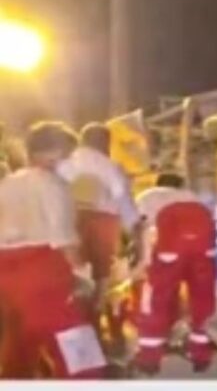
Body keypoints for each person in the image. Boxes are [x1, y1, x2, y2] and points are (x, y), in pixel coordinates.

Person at [0, 121, 106, 378]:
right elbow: (63, 238)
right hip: (43, 269)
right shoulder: (53, 184)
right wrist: (83, 276)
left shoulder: (7, 184)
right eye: (69, 154)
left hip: (6, 271)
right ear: (53, 153)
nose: (72, 161)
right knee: (78, 346)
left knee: (21, 345)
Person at [56, 122, 142, 354]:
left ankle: (73, 332)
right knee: (102, 282)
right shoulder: (111, 167)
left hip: (68, 226)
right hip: (103, 226)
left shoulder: (63, 164)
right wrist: (137, 239)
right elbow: (127, 208)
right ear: (105, 143)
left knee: (72, 281)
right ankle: (95, 331)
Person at [134, 173, 217, 374]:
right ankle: (201, 354)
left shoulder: (147, 196)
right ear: (181, 185)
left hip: (168, 250)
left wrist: (142, 260)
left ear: (159, 183)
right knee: (203, 299)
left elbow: (140, 227)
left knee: (156, 300)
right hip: (203, 250)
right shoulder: (192, 197)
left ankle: (150, 357)